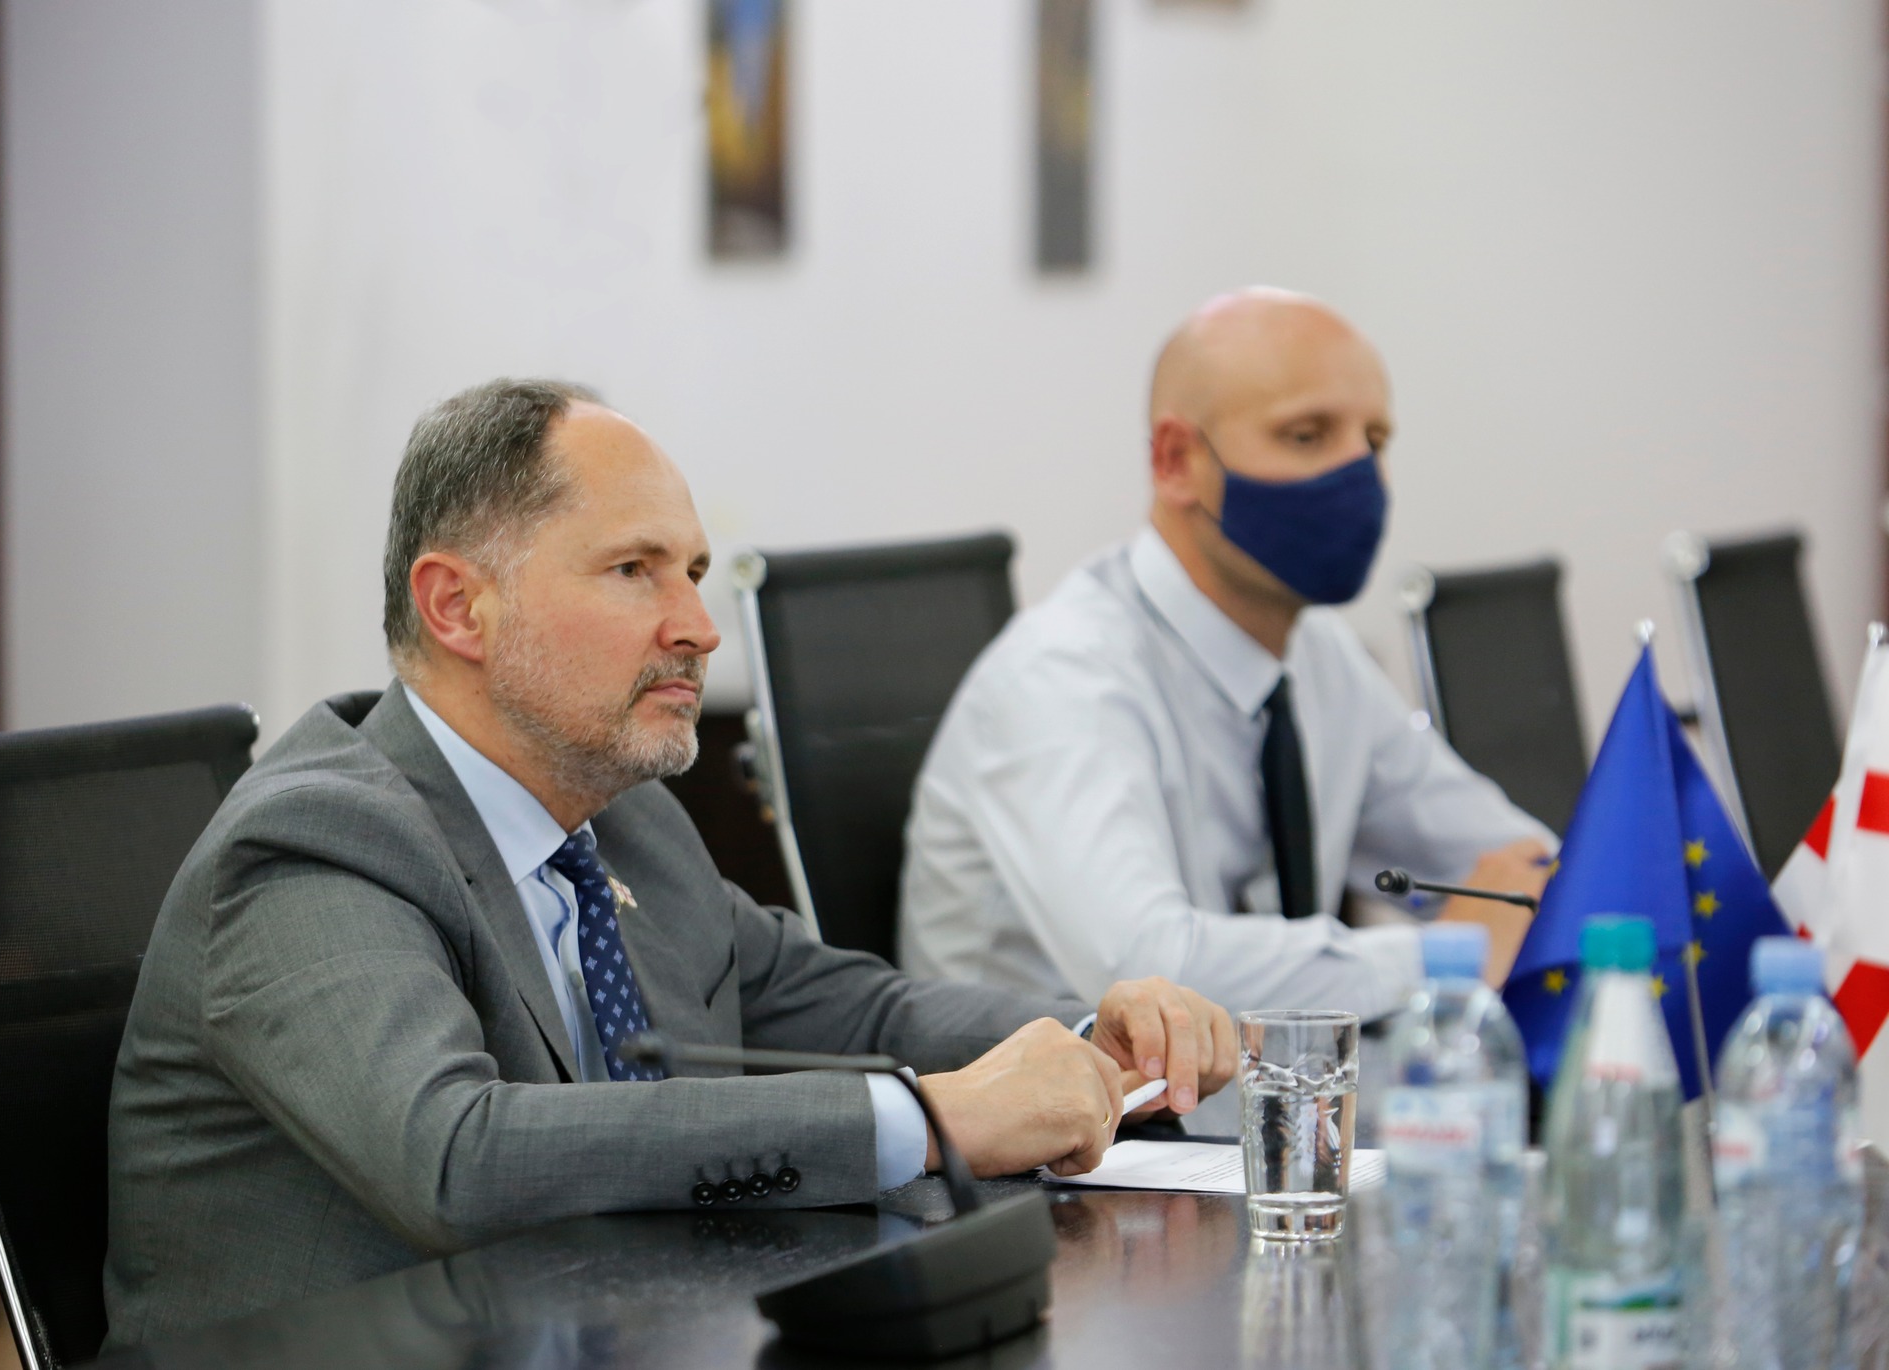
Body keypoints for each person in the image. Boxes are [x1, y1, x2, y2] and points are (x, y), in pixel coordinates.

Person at [102, 380, 1239, 1348]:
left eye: (692, 570)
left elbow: (847, 1007)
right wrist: (926, 1120)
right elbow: (458, 1159)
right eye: (634, 569)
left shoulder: (625, 816)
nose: (697, 624)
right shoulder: (314, 843)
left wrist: (1087, 1045)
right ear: (457, 606)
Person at [900, 288, 1555, 1029]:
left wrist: (1544, 893)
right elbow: (1151, 969)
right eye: (1306, 435)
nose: (1359, 474)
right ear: (1176, 460)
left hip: (1262, 1091)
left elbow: (1514, 862)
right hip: (1075, 1099)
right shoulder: (1061, 674)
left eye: (1374, 441)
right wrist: (1444, 957)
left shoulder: (1320, 657)